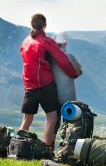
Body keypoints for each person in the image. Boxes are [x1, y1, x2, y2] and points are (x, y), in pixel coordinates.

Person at [19, 13, 78, 148]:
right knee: (52, 118)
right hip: (45, 85)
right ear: (44, 26)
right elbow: (62, 61)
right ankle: (45, 149)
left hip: (29, 86)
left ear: (32, 25)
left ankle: (18, 147)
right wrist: (73, 74)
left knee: (27, 119)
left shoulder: (25, 42)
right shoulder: (46, 42)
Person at [51, 31, 83, 149]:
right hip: (68, 97)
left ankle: (49, 149)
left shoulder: (49, 58)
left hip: (52, 95)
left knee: (53, 123)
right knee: (69, 124)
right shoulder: (69, 57)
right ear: (65, 43)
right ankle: (65, 149)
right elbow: (79, 71)